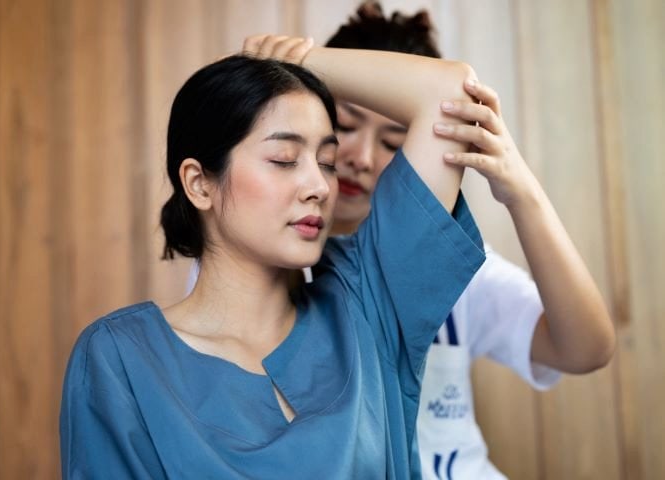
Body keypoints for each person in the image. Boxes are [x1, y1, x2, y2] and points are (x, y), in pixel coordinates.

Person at [60, 36, 487, 478]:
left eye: (326, 161)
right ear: (199, 184)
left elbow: (450, 94)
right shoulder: (121, 359)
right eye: (284, 159)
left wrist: (298, 61)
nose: (319, 187)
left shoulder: (367, 299)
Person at [324, 3, 615, 479]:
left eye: (393, 142)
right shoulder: (271, 266)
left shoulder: (460, 269)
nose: (359, 156)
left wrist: (523, 194)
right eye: (346, 125)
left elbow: (587, 348)